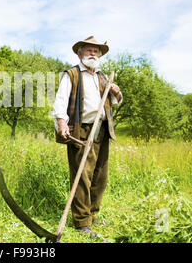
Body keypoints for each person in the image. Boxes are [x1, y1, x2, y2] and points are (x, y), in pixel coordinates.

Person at [53, 35, 122, 237]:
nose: (93, 54)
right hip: (81, 130)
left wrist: (116, 91)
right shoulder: (72, 75)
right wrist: (62, 123)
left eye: (96, 51)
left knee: (100, 175)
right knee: (82, 175)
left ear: (99, 55)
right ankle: (82, 222)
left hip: (101, 129)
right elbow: (60, 101)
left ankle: (92, 215)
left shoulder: (102, 77)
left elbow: (115, 100)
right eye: (89, 50)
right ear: (79, 53)